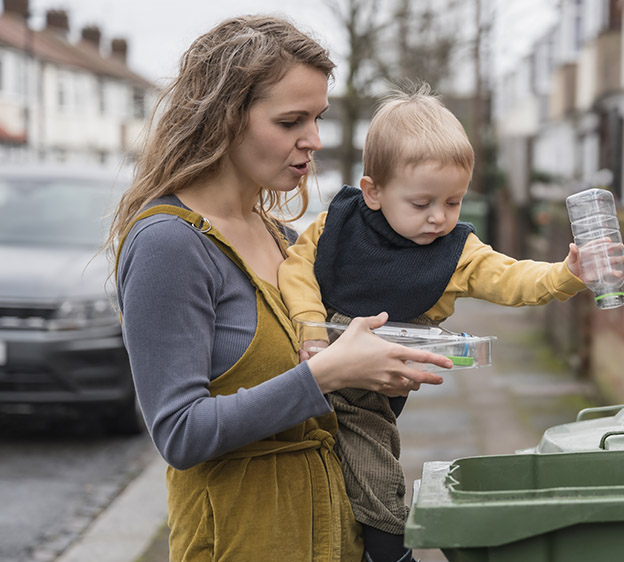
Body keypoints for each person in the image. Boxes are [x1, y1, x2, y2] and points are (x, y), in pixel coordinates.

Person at [106, 16, 452, 562]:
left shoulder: (286, 239)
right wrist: (328, 372)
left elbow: (327, 413)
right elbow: (179, 433)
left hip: (334, 536)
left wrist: (381, 373)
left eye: (317, 118)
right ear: (223, 119)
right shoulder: (170, 244)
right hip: (244, 542)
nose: (312, 140)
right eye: (291, 120)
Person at [278, 84, 587, 562]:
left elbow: (512, 278)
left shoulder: (457, 252)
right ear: (373, 191)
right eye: (422, 204)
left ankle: (388, 550)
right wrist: (311, 326)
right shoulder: (336, 222)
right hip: (312, 360)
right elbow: (296, 268)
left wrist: (567, 276)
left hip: (368, 395)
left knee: (376, 469)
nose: (439, 218)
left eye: (454, 202)